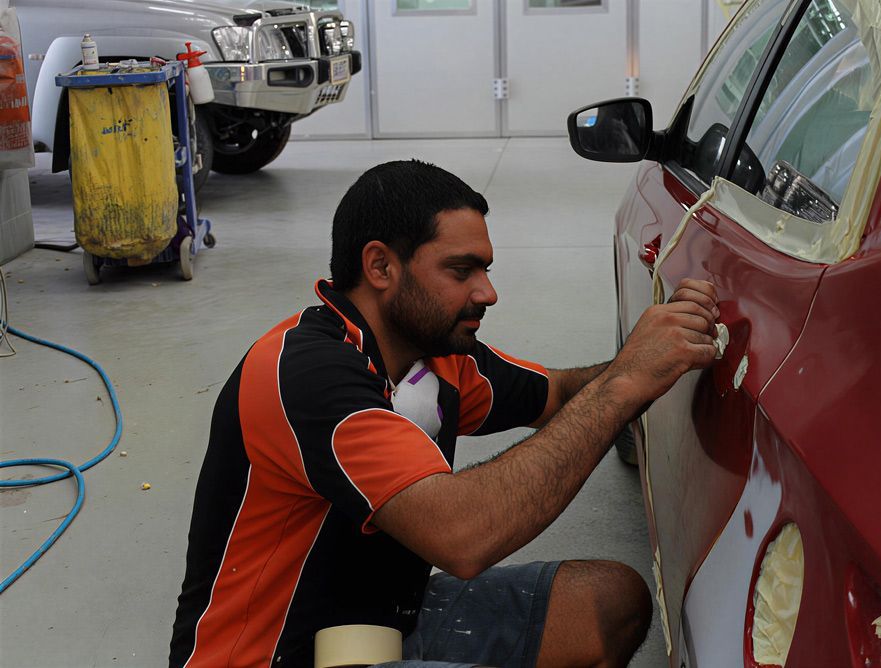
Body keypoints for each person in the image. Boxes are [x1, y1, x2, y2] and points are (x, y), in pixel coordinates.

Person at [169, 160, 720, 668]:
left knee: (610, 603)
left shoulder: (434, 353)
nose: (488, 292)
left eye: (485, 268)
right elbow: (462, 536)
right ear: (380, 265)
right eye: (462, 270)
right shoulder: (305, 375)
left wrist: (652, 354)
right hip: (274, 656)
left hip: (380, 621)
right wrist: (626, 383)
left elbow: (555, 393)